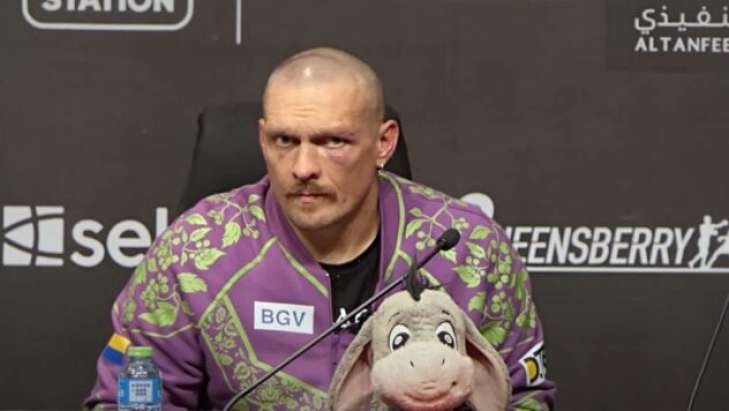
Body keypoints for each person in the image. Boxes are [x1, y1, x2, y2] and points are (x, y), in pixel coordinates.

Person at [84, 47, 556, 410]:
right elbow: (126, 400)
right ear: (262, 138)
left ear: (383, 143)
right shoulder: (194, 252)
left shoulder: (469, 249)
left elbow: (525, 398)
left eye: (333, 141)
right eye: (284, 140)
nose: (303, 167)